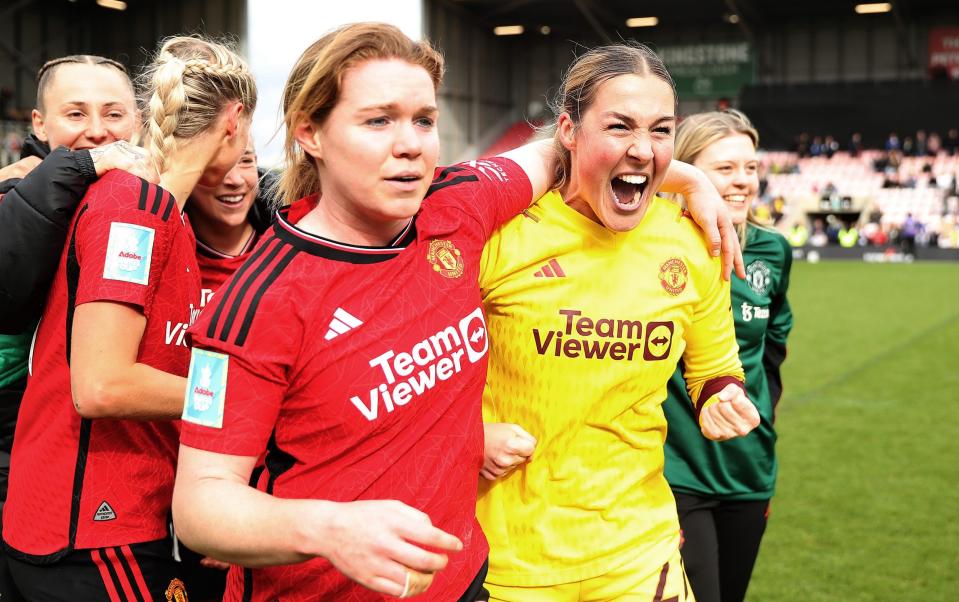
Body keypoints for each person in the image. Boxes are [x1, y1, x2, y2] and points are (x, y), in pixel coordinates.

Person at [171, 23, 742, 602]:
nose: (411, 143)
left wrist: (690, 176)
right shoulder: (259, 301)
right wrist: (327, 529)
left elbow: (569, 151)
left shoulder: (460, 209)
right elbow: (200, 505)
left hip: (467, 582)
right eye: (378, 120)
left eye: (424, 119)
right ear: (310, 132)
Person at [476, 43, 759, 602]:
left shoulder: (692, 242)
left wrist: (721, 394)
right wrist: (469, 436)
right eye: (619, 126)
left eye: (660, 130)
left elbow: (714, 368)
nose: (641, 149)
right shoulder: (501, 236)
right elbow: (422, 373)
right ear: (568, 129)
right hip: (512, 560)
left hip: (639, 550)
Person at [1, 37, 255, 600]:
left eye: (112, 113)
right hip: (91, 533)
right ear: (233, 122)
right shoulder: (132, 206)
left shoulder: (171, 214)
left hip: (124, 524)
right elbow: (101, 385)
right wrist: (241, 394)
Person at [661, 110, 794, 602]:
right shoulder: (653, 247)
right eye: (725, 168)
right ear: (687, 172)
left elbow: (774, 345)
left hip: (749, 468)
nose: (742, 181)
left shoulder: (774, 251)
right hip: (673, 470)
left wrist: (764, 416)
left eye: (751, 167)